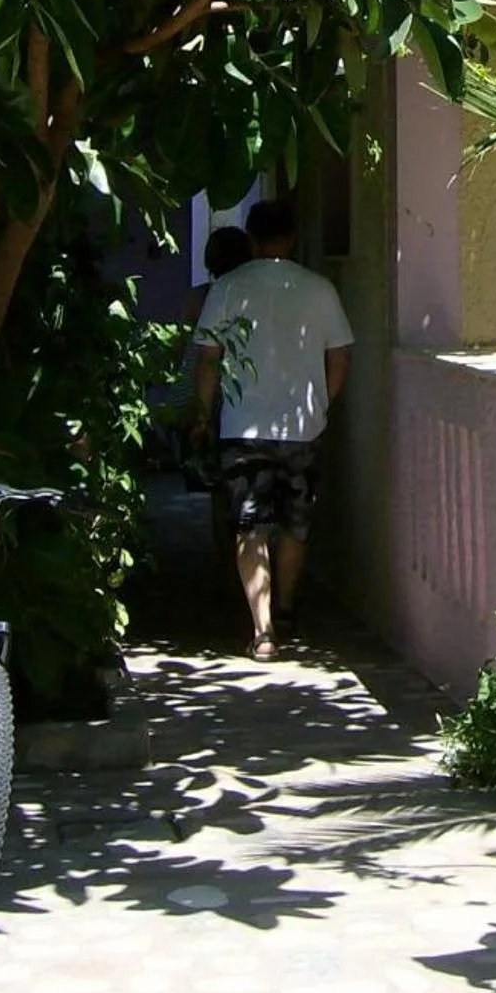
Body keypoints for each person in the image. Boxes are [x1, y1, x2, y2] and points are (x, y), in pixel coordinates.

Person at [190, 197, 352, 659]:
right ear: (293, 237)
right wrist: (321, 405)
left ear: (253, 238)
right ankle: (284, 607)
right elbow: (340, 356)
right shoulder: (319, 288)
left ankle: (262, 630)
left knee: (250, 526)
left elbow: (207, 359)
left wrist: (202, 415)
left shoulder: (227, 288)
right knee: (295, 524)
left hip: (242, 426)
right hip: (302, 426)